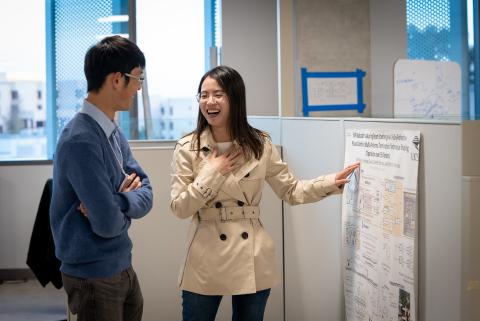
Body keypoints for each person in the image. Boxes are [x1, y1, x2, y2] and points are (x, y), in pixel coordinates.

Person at [170, 65, 359, 321]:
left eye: (218, 94)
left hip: (252, 256)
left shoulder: (260, 144)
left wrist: (330, 183)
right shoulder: (188, 147)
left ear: (235, 99)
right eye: (203, 95)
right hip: (204, 257)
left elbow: (291, 190)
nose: (209, 102)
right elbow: (180, 207)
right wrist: (213, 173)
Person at [50, 35, 153, 321]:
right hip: (93, 274)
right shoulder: (81, 140)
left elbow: (147, 192)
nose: (138, 88)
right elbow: (107, 224)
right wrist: (120, 204)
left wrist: (116, 199)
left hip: (121, 264)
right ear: (117, 79)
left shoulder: (112, 130)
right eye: (137, 79)